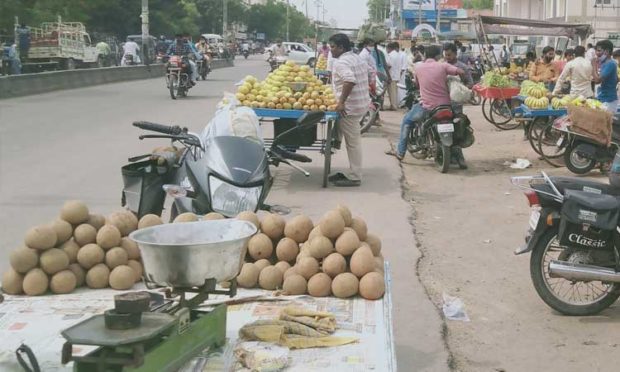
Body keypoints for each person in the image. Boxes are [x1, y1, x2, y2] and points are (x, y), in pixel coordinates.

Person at [387, 45, 465, 163]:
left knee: (406, 121)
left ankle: (400, 152)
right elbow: (461, 71)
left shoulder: (418, 67)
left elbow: (417, 84)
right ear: (438, 56)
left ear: (425, 55)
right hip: (445, 106)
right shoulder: (443, 65)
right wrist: (457, 83)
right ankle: (458, 156)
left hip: (427, 107)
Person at [327, 33, 369, 187]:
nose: (330, 50)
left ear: (341, 47)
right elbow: (370, 73)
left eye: (332, 47)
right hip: (361, 104)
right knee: (349, 136)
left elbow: (350, 80)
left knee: (353, 142)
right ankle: (336, 141)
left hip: (349, 108)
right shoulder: (357, 58)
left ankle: (355, 175)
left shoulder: (341, 62)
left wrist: (342, 102)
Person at [592, 40, 618, 113]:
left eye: (599, 51)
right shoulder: (603, 63)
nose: (596, 53)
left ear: (607, 51)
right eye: (596, 51)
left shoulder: (610, 64)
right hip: (602, 98)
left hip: (608, 101)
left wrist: (593, 65)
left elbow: (597, 80)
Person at [386, 42, 404, 110]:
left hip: (391, 76)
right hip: (396, 76)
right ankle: (394, 105)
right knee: (395, 92)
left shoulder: (390, 55)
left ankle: (393, 106)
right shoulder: (397, 55)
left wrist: (386, 74)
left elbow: (389, 65)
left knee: (392, 92)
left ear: (389, 48)